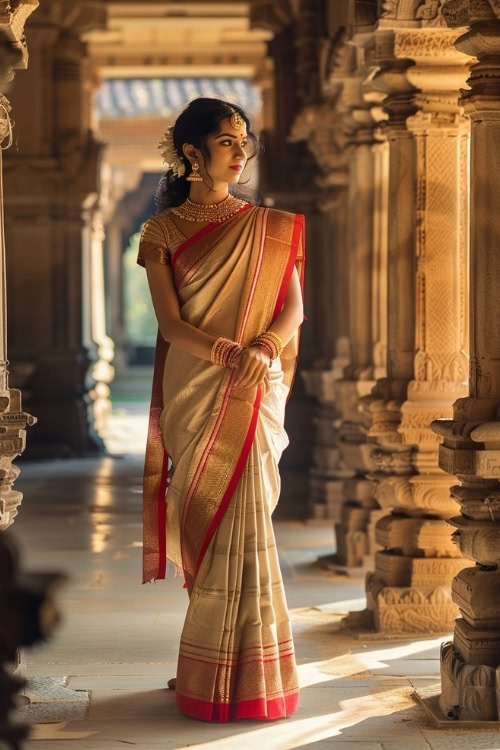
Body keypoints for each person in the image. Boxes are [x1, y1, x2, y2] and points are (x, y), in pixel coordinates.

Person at [136, 97, 306, 722]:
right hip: (200, 384)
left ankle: (252, 673)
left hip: (255, 383)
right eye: (229, 142)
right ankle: (211, 671)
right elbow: (170, 325)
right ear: (192, 153)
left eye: (244, 141)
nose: (242, 152)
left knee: (250, 518)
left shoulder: (272, 227)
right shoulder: (162, 233)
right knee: (206, 515)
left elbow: (293, 311)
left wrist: (262, 347)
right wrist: (226, 351)